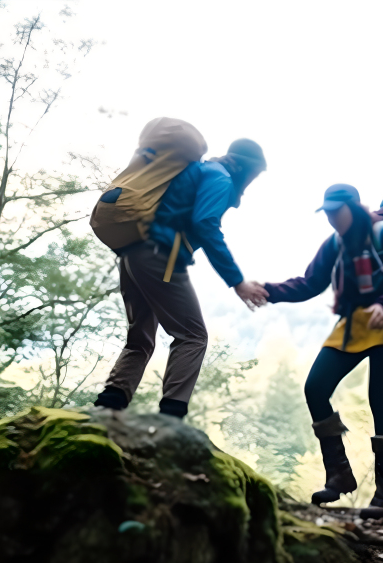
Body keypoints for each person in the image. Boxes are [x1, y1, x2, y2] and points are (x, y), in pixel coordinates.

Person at [263, 184, 383, 519]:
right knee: (316, 387)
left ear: (353, 208)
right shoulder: (335, 243)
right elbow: (310, 283)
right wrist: (267, 291)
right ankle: (339, 475)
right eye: (328, 213)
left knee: (381, 403)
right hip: (352, 326)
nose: (332, 218)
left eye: (337, 211)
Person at [93, 139, 270, 419]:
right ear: (245, 167)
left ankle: (109, 404)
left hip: (132, 253)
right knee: (193, 336)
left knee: (140, 338)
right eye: (254, 174)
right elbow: (205, 223)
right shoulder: (220, 178)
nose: (251, 182)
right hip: (160, 256)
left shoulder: (201, 170)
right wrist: (238, 282)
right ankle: (171, 415)